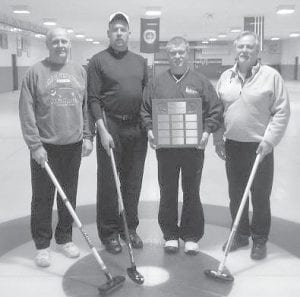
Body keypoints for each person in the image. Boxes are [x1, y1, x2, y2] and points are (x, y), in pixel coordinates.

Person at [141, 36, 223, 255]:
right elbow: (145, 109)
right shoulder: (157, 82)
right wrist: (149, 129)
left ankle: (191, 235)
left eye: (181, 52)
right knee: (167, 190)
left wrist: (206, 132)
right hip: (166, 150)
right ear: (167, 56)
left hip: (193, 149)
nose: (177, 56)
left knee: (191, 190)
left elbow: (215, 109)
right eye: (172, 53)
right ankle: (170, 234)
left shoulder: (201, 82)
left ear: (188, 54)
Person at [19, 27, 93, 267]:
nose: (60, 45)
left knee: (68, 196)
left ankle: (65, 237)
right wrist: (35, 145)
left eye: (64, 41)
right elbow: (26, 112)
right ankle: (42, 244)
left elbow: (85, 107)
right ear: (47, 45)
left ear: (69, 44)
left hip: (72, 145)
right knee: (42, 198)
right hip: (45, 148)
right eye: (56, 41)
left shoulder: (79, 71)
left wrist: (87, 135)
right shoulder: (34, 73)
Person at [213, 31, 290, 260]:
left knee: (260, 196)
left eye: (249, 47)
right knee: (236, 194)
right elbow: (217, 111)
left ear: (258, 51)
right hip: (233, 145)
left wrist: (270, 140)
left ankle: (259, 240)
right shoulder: (226, 77)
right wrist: (218, 138)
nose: (244, 51)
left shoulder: (271, 76)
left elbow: (281, 111)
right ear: (235, 50)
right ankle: (240, 235)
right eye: (241, 47)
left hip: (260, 148)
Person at [87, 12, 148, 254]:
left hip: (137, 128)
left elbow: (147, 99)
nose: (119, 33)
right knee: (109, 183)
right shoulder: (97, 61)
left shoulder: (140, 61)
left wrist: (149, 128)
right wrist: (101, 130)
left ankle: (129, 228)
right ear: (109, 33)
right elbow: (92, 99)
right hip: (110, 126)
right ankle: (109, 232)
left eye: (123, 29)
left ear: (129, 33)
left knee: (133, 182)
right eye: (115, 29)